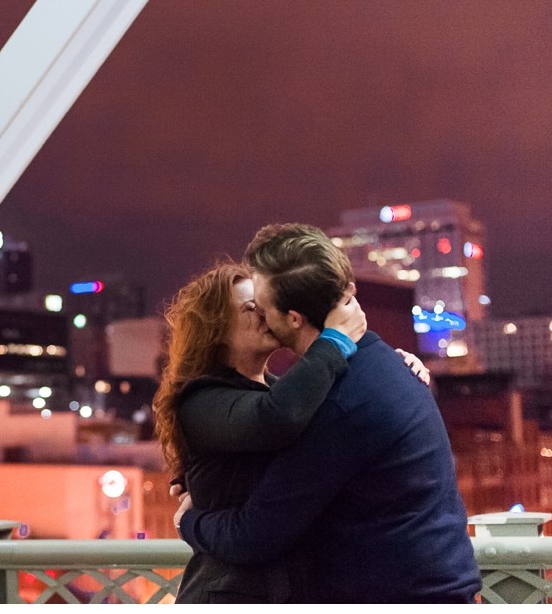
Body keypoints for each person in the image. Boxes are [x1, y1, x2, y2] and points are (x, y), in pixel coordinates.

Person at [175, 224, 482, 603]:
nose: (260, 316)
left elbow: (258, 532)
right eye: (248, 308)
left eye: (262, 306)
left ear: (292, 318)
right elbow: (265, 422)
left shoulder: (334, 400)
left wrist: (190, 521)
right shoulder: (367, 371)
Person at [153, 261, 427, 603]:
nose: (267, 312)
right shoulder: (201, 401)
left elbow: (338, 412)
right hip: (229, 595)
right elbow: (276, 419)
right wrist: (336, 339)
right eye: (252, 307)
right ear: (216, 328)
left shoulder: (285, 391)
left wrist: (392, 370)